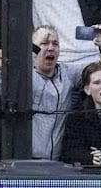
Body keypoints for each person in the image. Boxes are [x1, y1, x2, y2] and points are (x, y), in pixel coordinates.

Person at [60, 60, 101, 167]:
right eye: (97, 83)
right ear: (87, 89)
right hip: (86, 175)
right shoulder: (76, 117)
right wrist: (90, 157)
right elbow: (70, 151)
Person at [31, 25, 78, 161]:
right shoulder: (26, 77)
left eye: (55, 43)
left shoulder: (68, 73)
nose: (51, 48)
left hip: (58, 161)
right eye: (44, 43)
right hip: (27, 160)